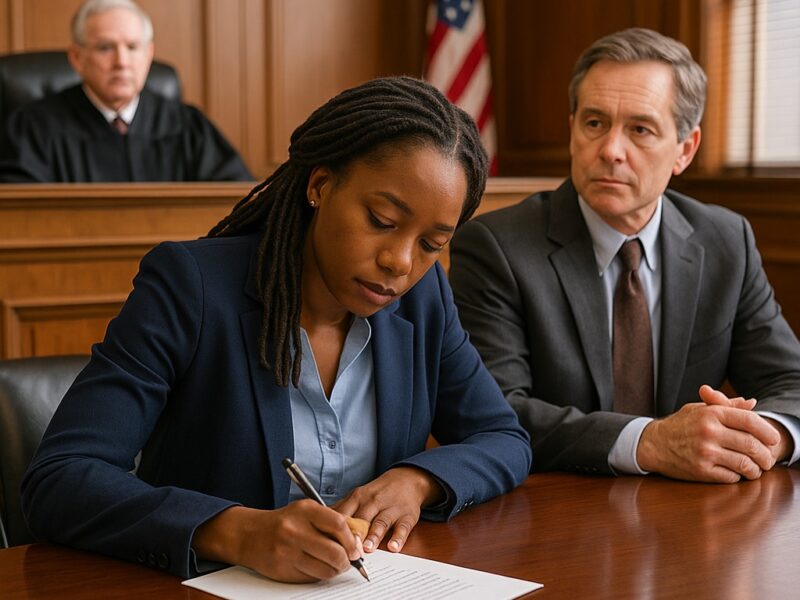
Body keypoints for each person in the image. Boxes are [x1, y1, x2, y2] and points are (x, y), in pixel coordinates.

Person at [21, 76, 531, 583]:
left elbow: (504, 438)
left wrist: (418, 480)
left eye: (431, 244)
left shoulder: (424, 300)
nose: (399, 262)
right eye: (381, 219)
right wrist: (237, 532)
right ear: (320, 185)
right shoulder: (190, 287)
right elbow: (60, 480)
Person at [449, 28, 800, 484]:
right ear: (572, 129)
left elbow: (791, 383)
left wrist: (762, 436)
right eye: (594, 123)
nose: (611, 150)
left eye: (640, 129)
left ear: (685, 150)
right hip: (553, 511)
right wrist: (650, 442)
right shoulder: (496, 245)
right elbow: (494, 412)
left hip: (692, 516)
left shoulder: (725, 240)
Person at [0, 0, 252, 182]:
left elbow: (236, 200)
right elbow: (21, 216)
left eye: (132, 47)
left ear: (148, 54)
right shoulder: (33, 127)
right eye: (105, 48)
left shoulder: (187, 125)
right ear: (77, 58)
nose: (121, 62)